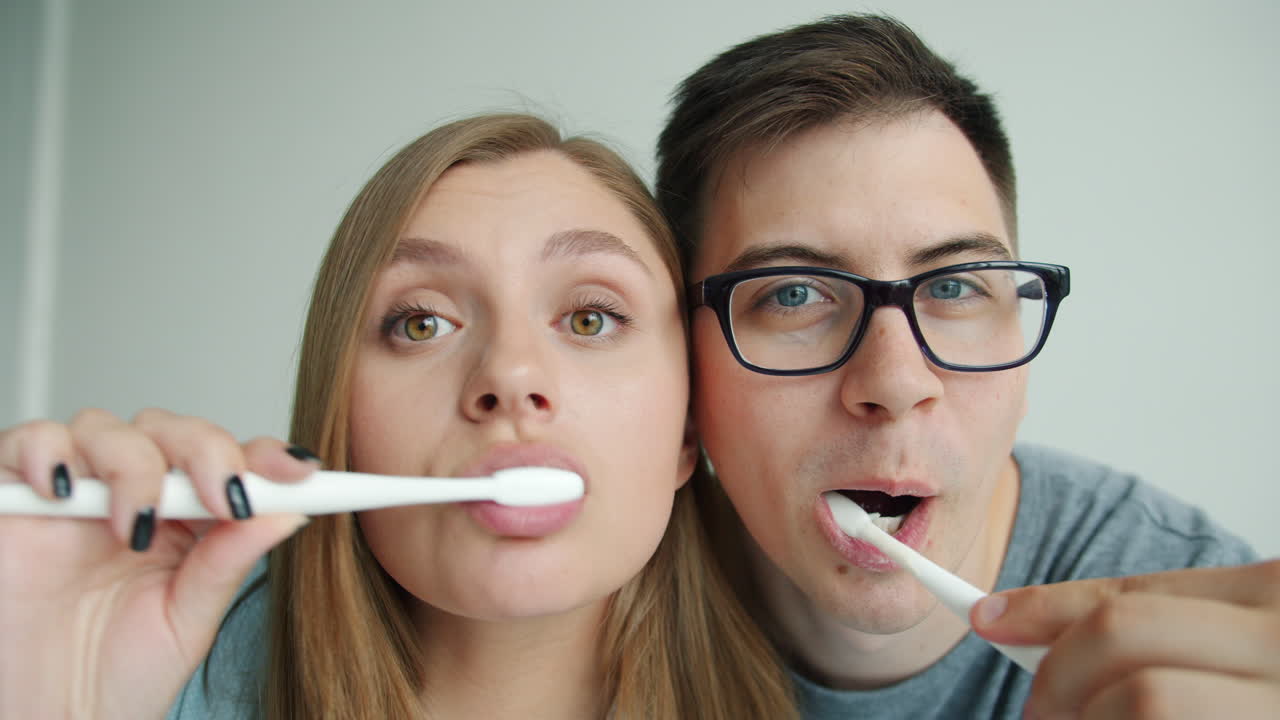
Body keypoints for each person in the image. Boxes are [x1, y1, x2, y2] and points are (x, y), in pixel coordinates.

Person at [0, 113, 797, 719]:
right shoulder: (156, 685)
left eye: (589, 317)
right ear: (340, 416)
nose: (509, 377)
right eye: (421, 323)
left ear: (688, 430)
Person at [657, 14, 1280, 719]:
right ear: (679, 362)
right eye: (794, 295)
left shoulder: (1195, 616)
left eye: (953, 287)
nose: (895, 383)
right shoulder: (592, 609)